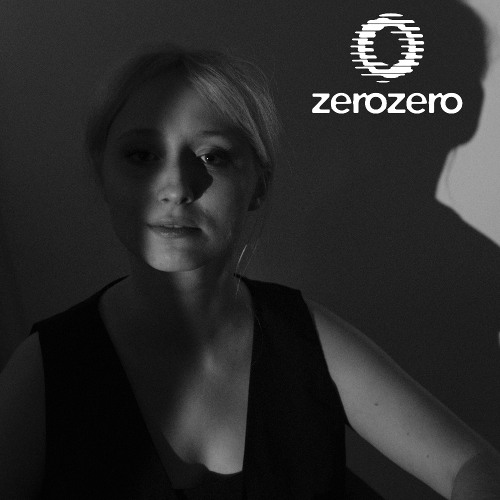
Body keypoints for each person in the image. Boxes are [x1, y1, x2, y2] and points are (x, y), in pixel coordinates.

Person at [0, 44, 499, 500]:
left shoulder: (307, 339)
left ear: (257, 185)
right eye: (141, 155)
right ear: (102, 175)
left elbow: (475, 467)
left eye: (212, 156)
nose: (175, 187)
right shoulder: (44, 368)